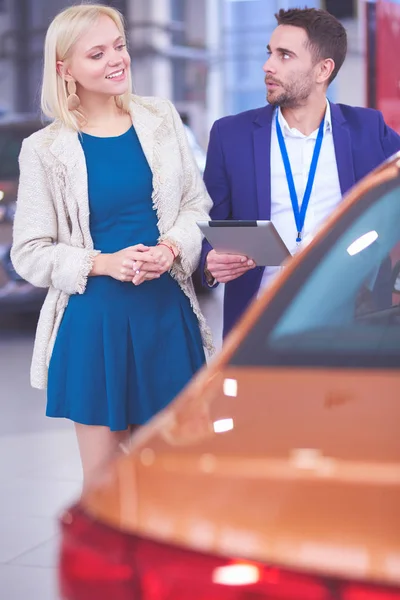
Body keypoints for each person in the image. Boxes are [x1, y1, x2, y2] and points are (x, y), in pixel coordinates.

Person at [11, 4, 213, 489]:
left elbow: (196, 206)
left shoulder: (161, 118)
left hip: (165, 315)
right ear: (65, 70)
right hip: (94, 323)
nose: (116, 59)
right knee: (105, 485)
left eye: (118, 46)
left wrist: (169, 249)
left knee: (171, 477)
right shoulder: (44, 149)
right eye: (97, 53)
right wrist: (102, 262)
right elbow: (29, 252)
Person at [200, 7, 400, 337]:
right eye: (270, 54)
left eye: (285, 55)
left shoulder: (368, 129)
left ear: (323, 69)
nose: (268, 65)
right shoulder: (230, 135)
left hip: (355, 325)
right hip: (258, 328)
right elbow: (209, 225)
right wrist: (210, 263)